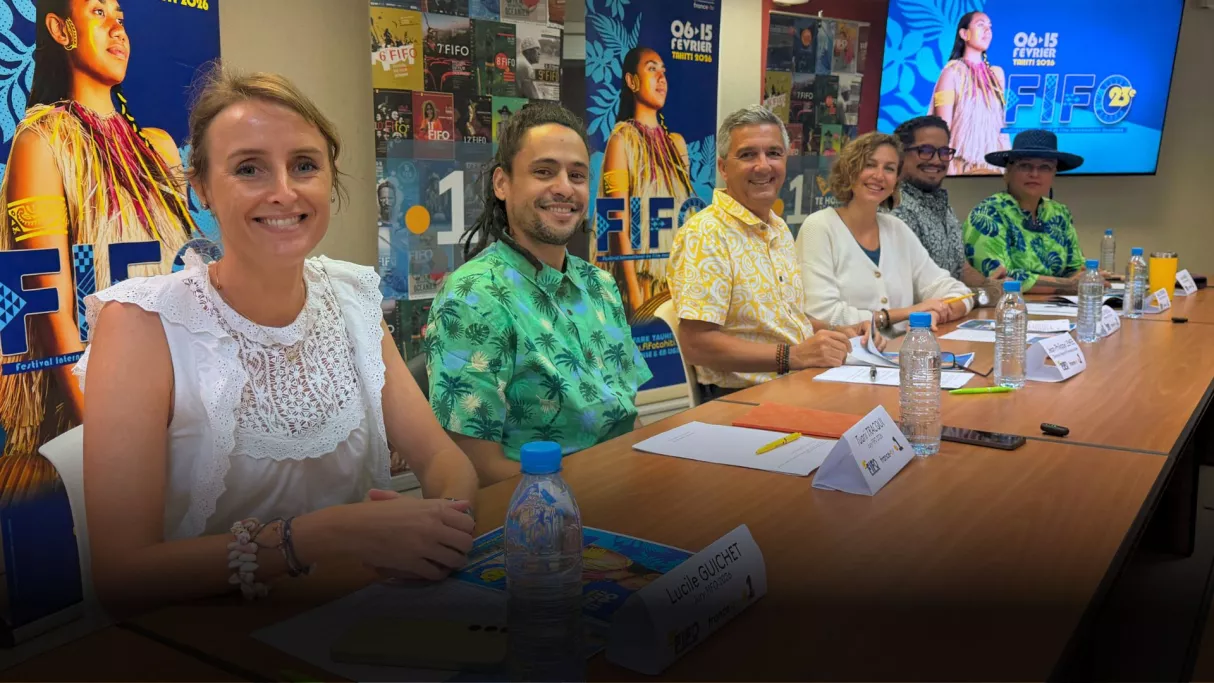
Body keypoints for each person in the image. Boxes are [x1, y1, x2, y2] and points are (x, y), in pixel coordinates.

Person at [73, 66, 479, 615]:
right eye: (249, 169)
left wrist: (442, 532)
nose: (284, 192)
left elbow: (443, 460)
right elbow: (121, 575)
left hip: (352, 614)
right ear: (202, 189)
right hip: (204, 634)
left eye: (305, 165)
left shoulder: (352, 296)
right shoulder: (142, 322)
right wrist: (322, 536)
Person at [0, 0, 200, 490]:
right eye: (98, 13)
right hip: (97, 418)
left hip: (182, 404)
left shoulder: (159, 148)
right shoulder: (41, 143)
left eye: (121, 18)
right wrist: (106, 438)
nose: (118, 29)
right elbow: (50, 308)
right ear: (59, 28)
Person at [427, 102, 651, 486]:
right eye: (544, 171)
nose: (564, 187)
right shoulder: (473, 299)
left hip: (626, 490)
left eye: (577, 175)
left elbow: (627, 417)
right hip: (542, 510)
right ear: (502, 183)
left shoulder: (600, 285)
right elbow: (477, 470)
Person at [668, 105, 877, 401]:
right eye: (748, 155)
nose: (763, 166)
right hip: (742, 399)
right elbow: (696, 344)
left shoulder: (776, 227)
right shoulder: (706, 234)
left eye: (774, 153)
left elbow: (781, 321)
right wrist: (793, 356)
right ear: (723, 168)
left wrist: (840, 331)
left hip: (797, 382)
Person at [798, 132, 973, 335]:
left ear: (896, 181)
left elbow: (959, 293)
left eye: (889, 168)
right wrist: (907, 313)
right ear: (849, 171)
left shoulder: (897, 229)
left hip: (901, 350)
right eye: (870, 165)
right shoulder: (819, 227)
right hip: (846, 352)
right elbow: (822, 315)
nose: (879, 176)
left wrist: (936, 313)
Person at [595, 46, 694, 323]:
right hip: (642, 285)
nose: (661, 78)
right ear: (631, 80)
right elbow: (617, 223)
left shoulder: (677, 144)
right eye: (652, 69)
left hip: (678, 286)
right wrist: (636, 298)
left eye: (663, 71)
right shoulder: (621, 141)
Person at [964, 130, 1088, 294]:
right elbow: (1000, 278)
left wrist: (1087, 277)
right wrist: (1067, 285)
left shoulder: (1060, 213)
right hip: (1006, 305)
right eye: (1024, 166)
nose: (1034, 174)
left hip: (1059, 304)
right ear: (1007, 172)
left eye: (1045, 167)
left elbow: (1075, 269)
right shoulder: (987, 213)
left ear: (1054, 174)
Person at [890, 116, 1000, 289]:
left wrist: (992, 286)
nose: (936, 160)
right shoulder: (893, 208)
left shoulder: (943, 207)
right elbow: (911, 286)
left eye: (943, 152)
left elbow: (961, 269)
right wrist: (982, 295)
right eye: (925, 150)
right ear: (900, 154)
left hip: (952, 303)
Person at [929, 11, 1010, 176]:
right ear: (964, 34)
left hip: (994, 167)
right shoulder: (951, 72)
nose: (987, 31)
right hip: (961, 166)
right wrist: (946, 168)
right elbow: (942, 127)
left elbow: (1000, 124)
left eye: (990, 27)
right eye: (980, 25)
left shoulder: (997, 74)